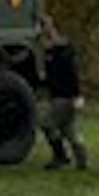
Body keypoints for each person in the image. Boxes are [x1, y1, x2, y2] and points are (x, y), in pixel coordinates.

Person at [38, 17, 88, 170]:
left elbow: (72, 74)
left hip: (64, 97)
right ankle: (81, 160)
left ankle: (61, 156)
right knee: (69, 130)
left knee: (47, 124)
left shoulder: (62, 51)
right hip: (60, 96)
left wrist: (77, 95)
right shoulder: (54, 52)